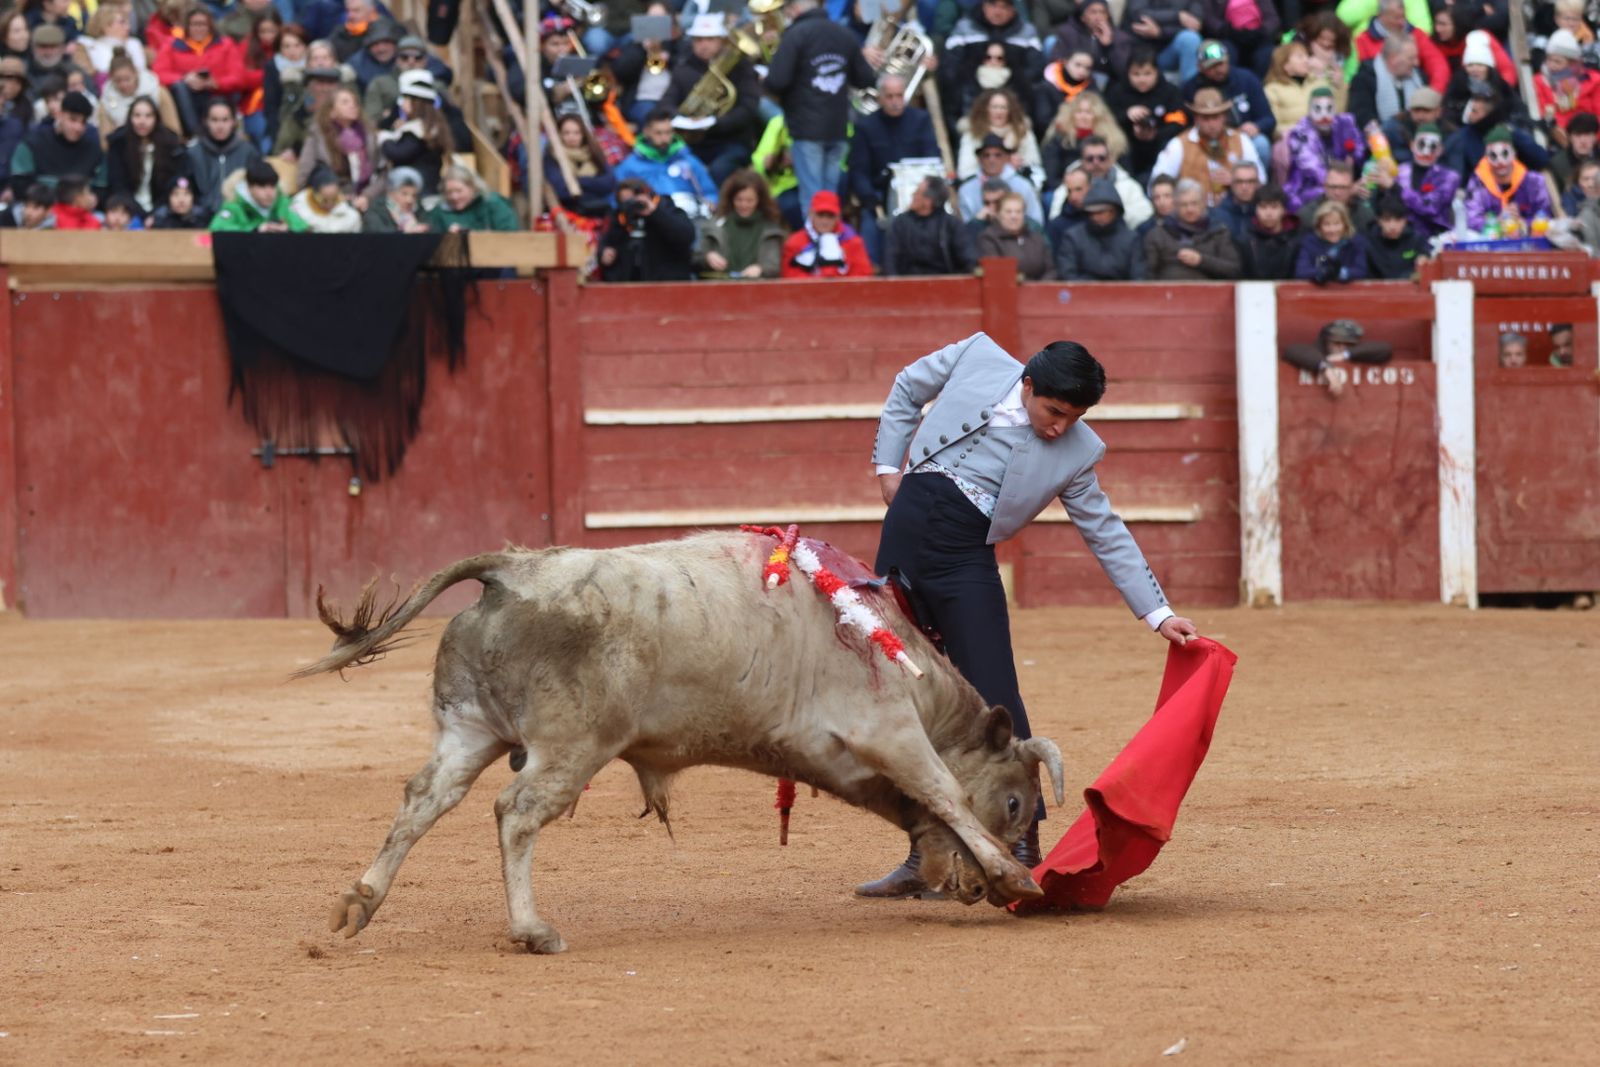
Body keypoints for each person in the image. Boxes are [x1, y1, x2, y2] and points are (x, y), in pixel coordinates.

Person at [857, 334, 1199, 897]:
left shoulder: (1079, 451)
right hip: (904, 536)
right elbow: (906, 388)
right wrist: (887, 467)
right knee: (908, 697)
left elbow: (1104, 530)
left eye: (1075, 417)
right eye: (1054, 411)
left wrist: (1157, 613)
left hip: (964, 558)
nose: (1061, 427)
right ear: (1029, 385)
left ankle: (1021, 843)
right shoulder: (977, 356)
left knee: (996, 698)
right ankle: (926, 856)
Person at [763, 0, 873, 212]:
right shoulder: (844, 34)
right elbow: (865, 79)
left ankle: (816, 244)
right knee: (830, 198)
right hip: (837, 127)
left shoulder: (794, 35)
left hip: (806, 129)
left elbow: (777, 81)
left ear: (793, 9)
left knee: (812, 198)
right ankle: (830, 242)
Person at [659, 14, 762, 187]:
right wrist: (682, 119)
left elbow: (749, 107)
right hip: (693, 142)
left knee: (719, 169)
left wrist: (715, 122)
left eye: (710, 39)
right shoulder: (683, 69)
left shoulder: (741, 68)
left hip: (732, 141)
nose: (703, 45)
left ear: (722, 41)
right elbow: (666, 103)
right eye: (698, 40)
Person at [848, 72, 939, 265]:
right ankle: (872, 273)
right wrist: (870, 198)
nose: (895, 101)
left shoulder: (921, 120)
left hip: (917, 194)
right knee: (871, 227)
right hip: (879, 197)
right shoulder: (866, 126)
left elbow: (932, 160)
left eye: (899, 95)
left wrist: (923, 193)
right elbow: (858, 170)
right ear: (880, 97)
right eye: (889, 96)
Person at [940, 0, 1046, 131]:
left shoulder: (1027, 32)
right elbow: (950, 67)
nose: (998, 12)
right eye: (993, 5)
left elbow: (1035, 70)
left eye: (1004, 6)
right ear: (984, 5)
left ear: (1013, 9)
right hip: (970, 98)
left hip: (1014, 96)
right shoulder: (965, 28)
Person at [1149, 86, 1263, 205]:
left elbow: (1261, 181)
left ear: (1224, 116)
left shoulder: (1240, 140)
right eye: (1205, 118)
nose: (1211, 124)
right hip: (1193, 215)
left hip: (1235, 209)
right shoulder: (1179, 144)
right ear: (1196, 118)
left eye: (1215, 117)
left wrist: (1236, 181)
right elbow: (1157, 183)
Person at [152, 6, 244, 135]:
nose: (199, 28)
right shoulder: (171, 45)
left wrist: (214, 83)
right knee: (179, 87)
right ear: (187, 26)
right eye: (194, 24)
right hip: (185, 98)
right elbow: (158, 74)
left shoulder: (225, 45)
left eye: (203, 24)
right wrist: (185, 78)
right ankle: (196, 134)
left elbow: (238, 77)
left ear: (210, 25)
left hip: (217, 96)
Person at [1183, 38, 1275, 163]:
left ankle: (1255, 181)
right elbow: (1187, 125)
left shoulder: (1247, 79)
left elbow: (1268, 118)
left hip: (1243, 137)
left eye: (1221, 64)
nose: (1218, 69)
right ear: (1200, 68)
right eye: (1212, 66)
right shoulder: (1190, 88)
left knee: (1261, 144)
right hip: (1206, 139)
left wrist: (1256, 126)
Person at [613, 109, 718, 216]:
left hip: (692, 216)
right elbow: (619, 201)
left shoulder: (688, 160)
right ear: (646, 131)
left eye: (668, 132)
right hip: (653, 219)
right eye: (658, 133)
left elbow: (709, 192)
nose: (664, 138)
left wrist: (711, 203)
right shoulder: (629, 166)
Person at [1104, 47, 1185, 180]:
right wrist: (1127, 116)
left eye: (1147, 74)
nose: (1142, 79)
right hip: (1128, 147)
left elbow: (1179, 122)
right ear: (1128, 73)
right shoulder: (1117, 92)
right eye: (1136, 74)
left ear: (1157, 72)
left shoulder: (1170, 92)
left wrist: (1155, 134)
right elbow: (1106, 120)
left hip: (1160, 144)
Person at [298, 82, 384, 206]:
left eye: (354, 102)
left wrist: (367, 196)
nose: (352, 106)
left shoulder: (369, 134)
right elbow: (305, 172)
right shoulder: (318, 135)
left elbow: (382, 174)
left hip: (367, 196)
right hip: (331, 198)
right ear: (332, 111)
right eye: (345, 102)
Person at [8, 88, 103, 198]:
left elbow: (101, 189)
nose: (78, 127)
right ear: (59, 114)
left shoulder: (93, 149)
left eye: (83, 122)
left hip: (79, 211)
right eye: (73, 119)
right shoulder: (33, 143)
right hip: (41, 207)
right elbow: (20, 184)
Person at [1283, 86, 1365, 212]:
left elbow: (1359, 150)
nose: (1324, 116)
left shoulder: (1345, 123)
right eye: (1318, 109)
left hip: (1347, 183)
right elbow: (1312, 169)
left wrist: (1354, 156)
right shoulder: (1301, 133)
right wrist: (1346, 188)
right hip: (1309, 187)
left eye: (1329, 109)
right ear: (1309, 111)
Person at [599, 175, 696, 281]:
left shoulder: (667, 209)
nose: (631, 205)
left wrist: (655, 213)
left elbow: (685, 237)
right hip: (629, 286)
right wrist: (605, 253)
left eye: (633, 200)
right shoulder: (619, 218)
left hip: (666, 284)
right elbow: (607, 243)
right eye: (625, 202)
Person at [1144, 176, 1241, 278]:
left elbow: (1234, 269)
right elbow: (1147, 274)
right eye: (1184, 205)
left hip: (1209, 291)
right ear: (1176, 205)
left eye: (1194, 203)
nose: (1189, 209)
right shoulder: (1157, 235)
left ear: (1203, 203)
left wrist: (1201, 260)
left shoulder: (1218, 232)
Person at [106, 94, 188, 214]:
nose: (142, 121)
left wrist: (155, 213)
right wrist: (141, 214)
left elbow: (171, 184)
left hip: (162, 207)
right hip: (127, 207)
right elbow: (118, 186)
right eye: (137, 115)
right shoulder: (119, 143)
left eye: (148, 116)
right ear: (130, 118)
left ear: (156, 118)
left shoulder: (169, 143)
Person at [695, 169, 784, 279]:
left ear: (759, 200)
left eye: (750, 200)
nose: (744, 205)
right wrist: (707, 257)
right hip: (719, 287)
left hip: (757, 288)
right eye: (739, 200)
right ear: (731, 199)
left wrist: (761, 269)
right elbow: (695, 257)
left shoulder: (770, 229)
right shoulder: (715, 225)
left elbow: (774, 265)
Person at [376, 68, 452, 196]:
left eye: (406, 99)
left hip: (419, 190)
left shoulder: (419, 130)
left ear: (416, 103)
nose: (402, 104)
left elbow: (398, 153)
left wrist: (384, 138)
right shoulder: (430, 126)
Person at [1464, 125, 1554, 232]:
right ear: (1486, 158)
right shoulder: (1477, 183)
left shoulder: (1534, 181)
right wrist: (1497, 222)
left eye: (1505, 153)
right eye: (1493, 156)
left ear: (1514, 154)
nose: (1500, 161)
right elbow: (1470, 221)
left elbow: (1546, 216)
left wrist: (1521, 223)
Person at [1056, 177, 1147, 279]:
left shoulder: (1131, 240)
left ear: (1114, 211)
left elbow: (1139, 277)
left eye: (1101, 212)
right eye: (1091, 213)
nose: (1096, 217)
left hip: (1123, 294)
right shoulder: (1073, 238)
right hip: (1083, 293)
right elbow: (1068, 275)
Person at [1349, 0, 1449, 92]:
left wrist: (1433, 93)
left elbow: (1438, 64)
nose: (1402, 22)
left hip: (1416, 96)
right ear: (1381, 15)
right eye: (1396, 18)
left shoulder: (1416, 35)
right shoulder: (1363, 41)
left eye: (1403, 17)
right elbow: (1356, 78)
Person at [884, 175, 974, 277]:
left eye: (917, 193)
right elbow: (890, 259)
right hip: (907, 284)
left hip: (944, 284)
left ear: (928, 201)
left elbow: (967, 259)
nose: (913, 195)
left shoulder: (951, 225)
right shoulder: (900, 223)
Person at [1064, 131, 1153, 228]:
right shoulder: (1070, 182)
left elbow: (1144, 213)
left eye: (1101, 158)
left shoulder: (1128, 185)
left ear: (1110, 160)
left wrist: (1110, 218)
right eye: (1090, 158)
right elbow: (1055, 215)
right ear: (1082, 161)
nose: (1096, 163)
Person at [1381, 121, 1456, 236]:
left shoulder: (1449, 178)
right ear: (1412, 145)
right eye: (1421, 145)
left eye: (1433, 147)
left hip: (1434, 237)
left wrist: (1395, 188)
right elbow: (1390, 208)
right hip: (1401, 236)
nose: (1426, 153)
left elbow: (1430, 208)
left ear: (1440, 150)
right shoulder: (1399, 171)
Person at [1039, 90, 1126, 190]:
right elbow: (1051, 178)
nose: (1083, 117)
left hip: (1108, 190)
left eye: (1089, 112)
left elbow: (1124, 172)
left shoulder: (1112, 140)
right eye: (1079, 112)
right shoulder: (1059, 139)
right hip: (1067, 190)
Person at [957, 88, 1042, 188]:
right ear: (985, 109)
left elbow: (1036, 169)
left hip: (1017, 191)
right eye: (994, 107)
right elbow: (965, 172)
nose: (999, 112)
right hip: (982, 190)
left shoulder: (1023, 134)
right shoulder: (972, 135)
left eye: (1003, 107)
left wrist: (1020, 168)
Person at [1281, 318, 1391, 396]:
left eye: (1348, 344)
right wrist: (1326, 368)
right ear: (1327, 342)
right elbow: (1292, 350)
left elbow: (1385, 349)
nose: (1342, 347)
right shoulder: (1317, 351)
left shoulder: (1352, 353)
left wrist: (1345, 355)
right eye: (1337, 343)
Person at [185, 99, 258, 213]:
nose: (220, 126)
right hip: (202, 218)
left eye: (225, 120)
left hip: (240, 217)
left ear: (233, 122)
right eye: (214, 120)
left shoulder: (248, 151)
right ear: (205, 121)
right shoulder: (193, 153)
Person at [781, 189, 872, 278]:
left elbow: (862, 276)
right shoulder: (794, 243)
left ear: (838, 217)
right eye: (820, 215)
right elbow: (790, 277)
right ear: (811, 214)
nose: (825, 221)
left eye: (830, 216)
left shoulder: (853, 242)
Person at [958, 131, 1043, 224]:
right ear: (979, 159)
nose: (992, 160)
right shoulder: (966, 189)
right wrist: (978, 221)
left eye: (997, 155)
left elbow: (1036, 221)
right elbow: (964, 227)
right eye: (986, 155)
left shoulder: (1023, 186)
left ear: (1007, 157)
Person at [541, 112, 614, 220]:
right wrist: (593, 184)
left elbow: (609, 183)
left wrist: (577, 181)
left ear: (583, 134)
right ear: (559, 135)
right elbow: (561, 190)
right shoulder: (552, 157)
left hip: (597, 212)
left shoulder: (594, 153)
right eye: (566, 133)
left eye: (577, 133)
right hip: (567, 215)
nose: (572, 137)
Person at [1534, 29, 1600, 142]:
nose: (1551, 65)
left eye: (1557, 62)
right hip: (1560, 137)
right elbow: (1545, 112)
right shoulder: (1540, 81)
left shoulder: (1593, 80)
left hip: (1591, 135)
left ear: (1571, 63)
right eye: (1549, 60)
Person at [98, 50, 181, 140]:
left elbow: (173, 128)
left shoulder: (159, 93)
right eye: (118, 80)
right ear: (111, 79)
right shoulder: (105, 103)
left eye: (127, 79)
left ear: (136, 74)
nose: (123, 84)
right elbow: (105, 140)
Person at [1348, 34, 1424, 130]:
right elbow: (1363, 118)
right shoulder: (1365, 79)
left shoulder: (1418, 77)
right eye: (1411, 58)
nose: (1416, 63)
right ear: (1393, 59)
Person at [210, 156, 306, 230]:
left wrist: (287, 229)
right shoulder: (234, 206)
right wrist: (256, 230)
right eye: (262, 187)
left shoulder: (282, 202)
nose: (269, 193)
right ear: (249, 187)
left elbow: (302, 227)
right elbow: (217, 228)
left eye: (272, 186)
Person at [1050, 0, 1134, 84]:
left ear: (1108, 16)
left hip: (1104, 80)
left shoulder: (1120, 37)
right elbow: (1057, 60)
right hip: (1072, 76)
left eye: (1102, 12)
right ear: (1082, 17)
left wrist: (1109, 46)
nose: (1098, 16)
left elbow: (1122, 71)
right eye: (1093, 12)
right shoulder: (1068, 32)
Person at [976, 189, 1054, 279]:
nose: (1014, 216)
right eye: (1008, 212)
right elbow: (996, 273)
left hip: (1039, 290)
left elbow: (1050, 269)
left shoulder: (1036, 238)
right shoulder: (988, 239)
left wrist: (1038, 289)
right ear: (998, 214)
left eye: (1018, 211)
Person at [1121, 0, 1204, 84]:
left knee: (1190, 39)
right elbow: (1139, 15)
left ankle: (1190, 92)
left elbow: (1195, 24)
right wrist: (1177, 16)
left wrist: (1161, 32)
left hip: (1169, 52)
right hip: (1139, 51)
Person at [1294, 199, 1367, 283]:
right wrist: (1322, 272)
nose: (1332, 230)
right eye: (1326, 224)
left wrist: (1340, 273)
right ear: (1319, 226)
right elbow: (1301, 271)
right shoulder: (1309, 242)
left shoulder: (1356, 242)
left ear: (1345, 224)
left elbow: (1361, 270)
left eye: (1337, 224)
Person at [428, 164, 518, 231]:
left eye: (459, 191)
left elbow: (509, 233)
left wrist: (469, 233)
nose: (454, 197)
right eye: (449, 192)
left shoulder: (492, 203)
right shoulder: (439, 212)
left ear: (472, 187)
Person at [1200, 0, 1278, 76]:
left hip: (1258, 35)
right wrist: (1227, 31)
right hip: (1229, 35)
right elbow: (1209, 19)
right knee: (1226, 53)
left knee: (1266, 54)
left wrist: (1261, 32)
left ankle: (1258, 87)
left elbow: (1272, 18)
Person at [1240, 181, 1299, 278]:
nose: (1269, 213)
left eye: (1274, 207)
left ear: (1283, 210)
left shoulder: (1295, 240)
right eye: (1263, 207)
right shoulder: (1246, 241)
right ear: (1256, 210)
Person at [1296, 159, 1373, 232]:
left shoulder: (1364, 216)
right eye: (1333, 187)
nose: (1337, 193)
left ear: (1351, 188)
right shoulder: (1308, 216)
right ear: (1325, 187)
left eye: (1343, 187)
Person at [1364, 190, 1427, 278]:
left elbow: (1424, 266)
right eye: (1387, 220)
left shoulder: (1417, 240)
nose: (1392, 226)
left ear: (1405, 220)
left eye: (1398, 220)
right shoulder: (1367, 242)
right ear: (1379, 221)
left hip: (1408, 289)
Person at [289, 160, 360, 230]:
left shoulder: (351, 216)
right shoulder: (300, 204)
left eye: (334, 199)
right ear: (314, 192)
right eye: (324, 200)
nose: (329, 204)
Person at [81, 3, 147, 75]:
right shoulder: (94, 48)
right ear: (105, 27)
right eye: (122, 22)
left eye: (127, 22)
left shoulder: (134, 44)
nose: (128, 27)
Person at [361, 164, 429, 231]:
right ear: (391, 193)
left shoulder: (419, 211)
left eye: (414, 195)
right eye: (404, 194)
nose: (409, 200)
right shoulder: (376, 212)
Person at [1550, 111, 1599, 198]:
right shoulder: (1557, 164)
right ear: (1570, 137)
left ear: (1595, 137)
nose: (1583, 141)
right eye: (1578, 135)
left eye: (1588, 135)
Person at [1208, 160, 1260, 238]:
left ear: (1258, 184)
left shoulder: (1265, 213)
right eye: (1239, 182)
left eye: (1250, 181)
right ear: (1231, 183)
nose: (1244, 187)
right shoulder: (1217, 215)